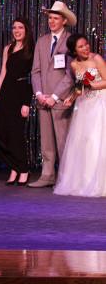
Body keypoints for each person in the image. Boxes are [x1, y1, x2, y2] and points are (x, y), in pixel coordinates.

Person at [28, 1, 75, 188]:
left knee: (64, 141)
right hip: (43, 99)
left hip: (60, 100)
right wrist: (39, 93)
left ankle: (66, 178)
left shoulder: (70, 41)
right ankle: (47, 175)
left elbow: (71, 74)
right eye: (50, 18)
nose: (52, 21)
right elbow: (35, 71)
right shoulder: (42, 41)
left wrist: (54, 96)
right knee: (46, 141)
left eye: (56, 18)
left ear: (64, 21)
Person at [53, 33, 106, 197]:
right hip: (83, 105)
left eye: (86, 44)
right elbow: (78, 87)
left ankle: (99, 182)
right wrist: (71, 98)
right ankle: (83, 180)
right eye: (81, 46)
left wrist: (91, 85)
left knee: (97, 140)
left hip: (99, 102)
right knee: (83, 142)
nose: (85, 48)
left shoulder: (96, 58)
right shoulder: (75, 65)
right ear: (74, 51)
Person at [0, 18, 34, 185]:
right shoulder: (8, 48)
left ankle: (24, 169)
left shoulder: (31, 49)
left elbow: (32, 78)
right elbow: (3, 74)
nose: (17, 30)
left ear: (26, 29)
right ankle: (14, 167)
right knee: (5, 133)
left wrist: (27, 102)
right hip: (6, 93)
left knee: (16, 135)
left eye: (20, 27)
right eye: (14, 27)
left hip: (21, 93)